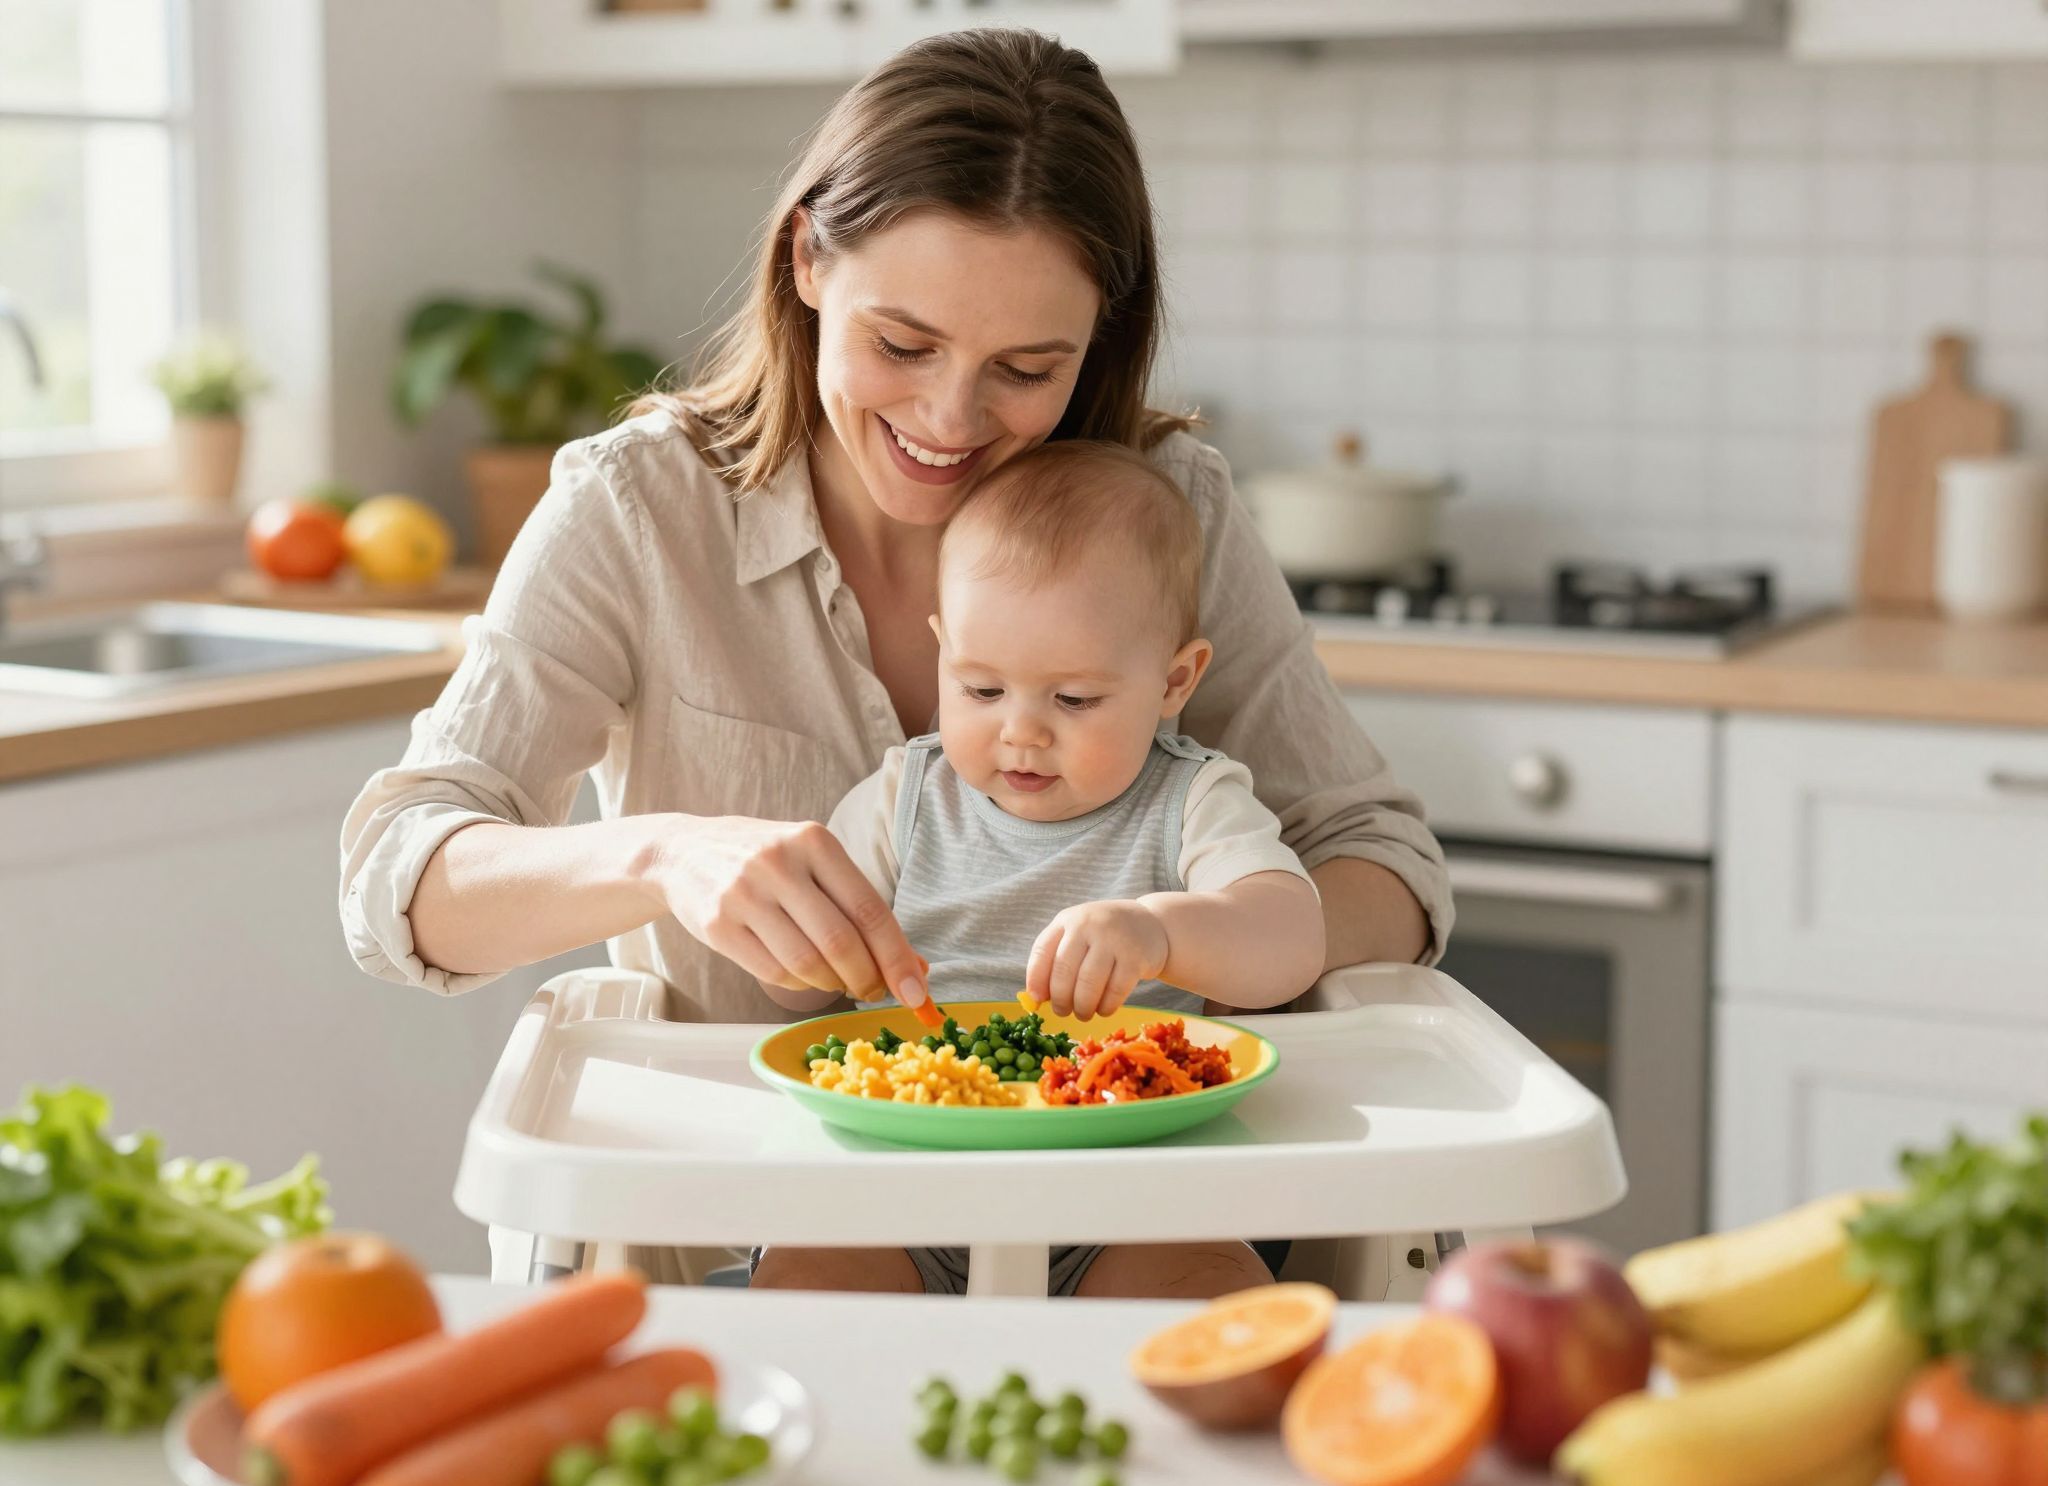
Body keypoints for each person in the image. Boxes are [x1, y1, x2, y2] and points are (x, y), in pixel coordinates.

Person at [340, 27, 1452, 1299]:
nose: (947, 420)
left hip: (1134, 1183)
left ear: (1097, 339)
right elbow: (397, 875)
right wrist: (662, 857)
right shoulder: (637, 509)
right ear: (807, 259)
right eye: (903, 346)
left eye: (1025, 370)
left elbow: (1382, 862)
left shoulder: (1161, 512)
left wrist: (1207, 938)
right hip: (754, 1221)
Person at [763, 439, 1326, 1027]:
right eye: (982, 690)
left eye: (1074, 699)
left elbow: (1293, 943)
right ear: (943, 652)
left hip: (1119, 1082)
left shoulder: (1191, 804)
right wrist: (796, 943)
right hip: (916, 1079)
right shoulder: (900, 800)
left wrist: (1159, 934)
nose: (1022, 733)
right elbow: (796, 994)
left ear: (1174, 680)